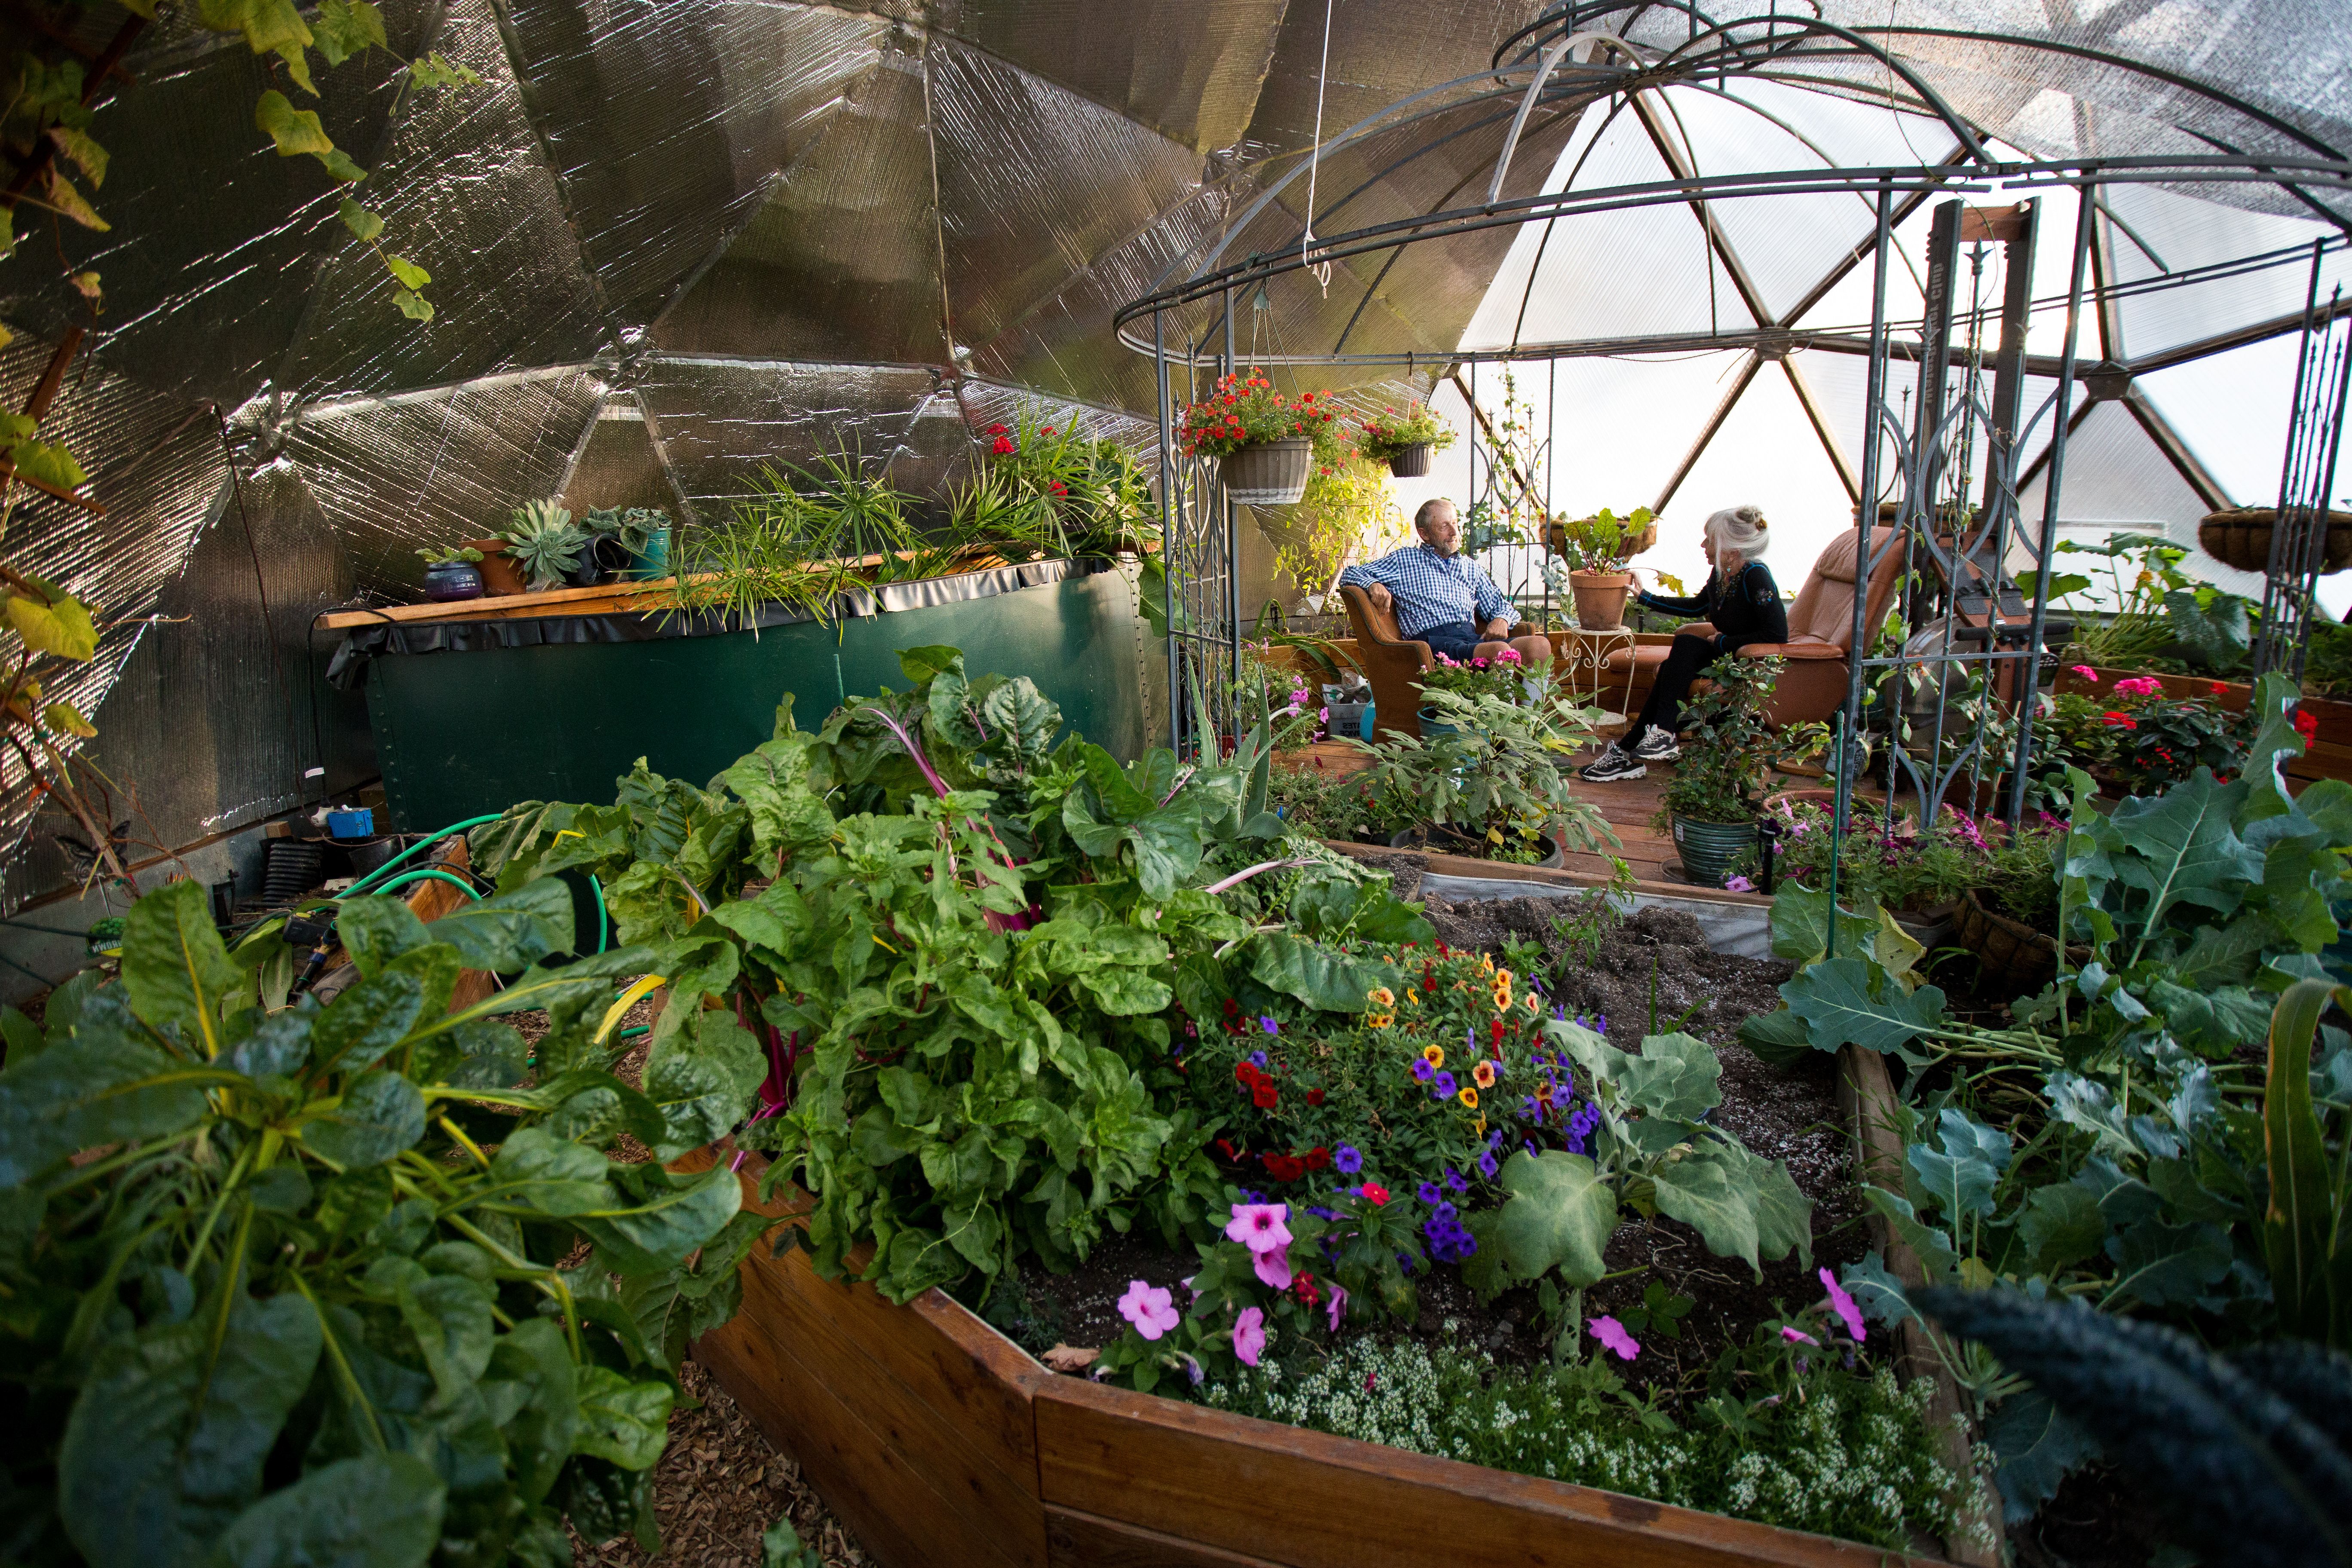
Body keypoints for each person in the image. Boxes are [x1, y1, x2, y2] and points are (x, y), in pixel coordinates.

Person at [1580, 504, 1785, 783]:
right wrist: (1644, 597)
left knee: (1683, 652)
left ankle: (1638, 748)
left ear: (1731, 548)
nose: (1704, 545)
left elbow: (1776, 634)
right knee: (1681, 651)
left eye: (1710, 540)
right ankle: (1648, 743)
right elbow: (1696, 607)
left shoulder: (1755, 576)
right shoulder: (1723, 573)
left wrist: (1725, 642)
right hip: (1727, 655)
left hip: (1748, 663)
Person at [1335, 498, 1553, 667]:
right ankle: (1505, 723)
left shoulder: (1470, 567)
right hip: (1433, 646)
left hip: (1471, 640)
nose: (1455, 533)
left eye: (1456, 524)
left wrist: (1502, 620)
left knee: (1539, 646)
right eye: (1445, 526)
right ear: (1425, 534)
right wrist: (1374, 585)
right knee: (1498, 651)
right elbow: (1350, 574)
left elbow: (1500, 605)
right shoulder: (1404, 560)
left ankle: (1531, 718)